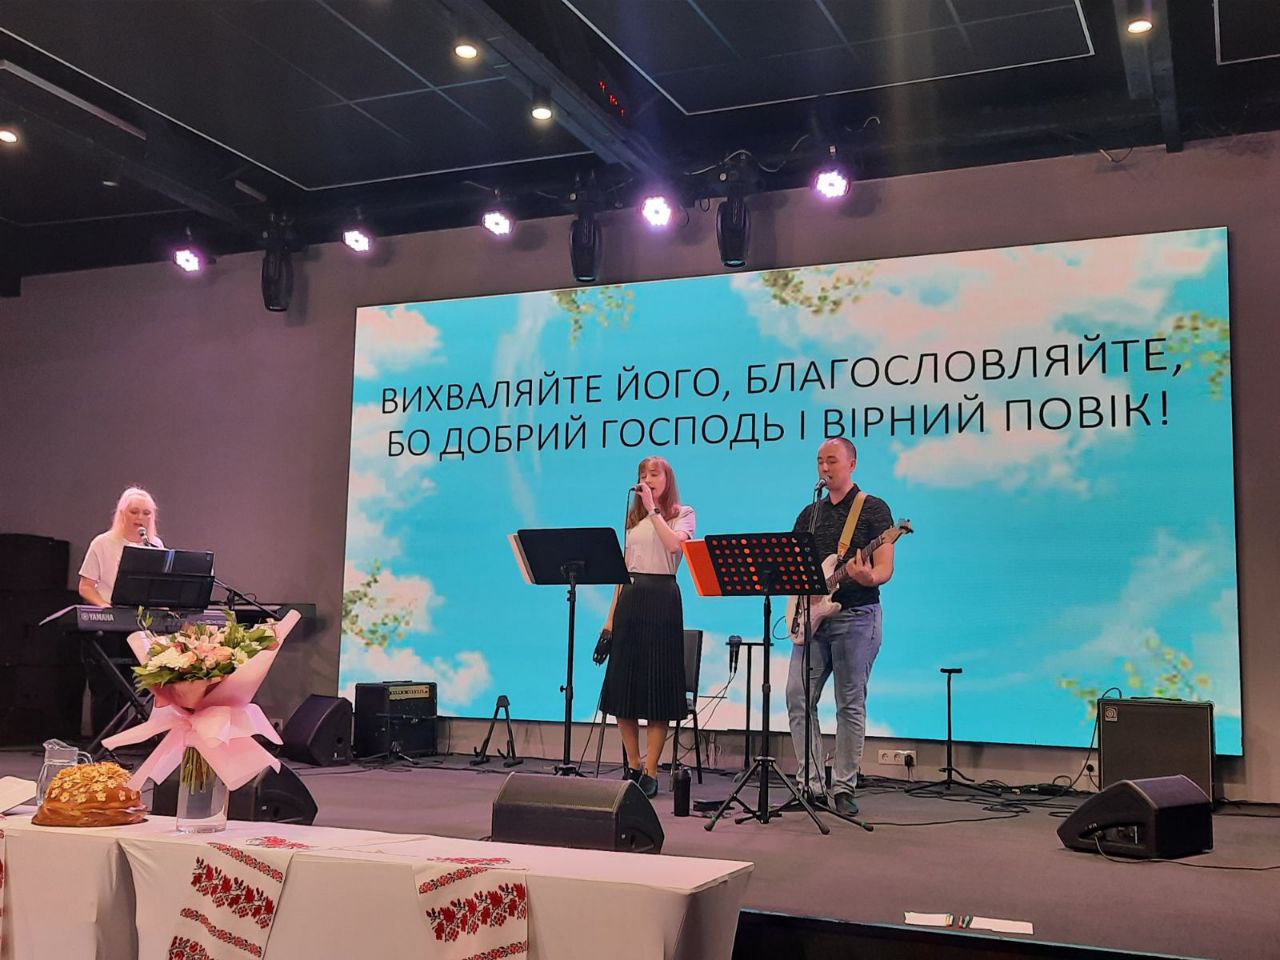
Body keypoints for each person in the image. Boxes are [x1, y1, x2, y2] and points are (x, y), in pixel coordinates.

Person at [786, 438, 894, 816]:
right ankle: (811, 784)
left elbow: (884, 569)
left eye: (832, 460)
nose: (824, 467)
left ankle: (844, 787)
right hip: (812, 620)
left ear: (852, 463)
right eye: (820, 461)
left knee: (849, 703)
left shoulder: (873, 509)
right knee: (798, 696)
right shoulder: (809, 514)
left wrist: (867, 577)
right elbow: (795, 568)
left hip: (857, 617)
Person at [596, 456, 696, 798]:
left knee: (657, 690)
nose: (647, 479)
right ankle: (634, 765)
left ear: (668, 479)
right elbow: (622, 573)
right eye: (643, 474)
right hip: (631, 600)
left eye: (654, 474)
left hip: (662, 600)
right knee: (622, 691)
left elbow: (674, 546)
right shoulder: (633, 519)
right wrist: (609, 623)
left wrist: (654, 510)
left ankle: (652, 769)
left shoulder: (683, 513)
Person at [78, 486, 165, 607]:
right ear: (122, 514)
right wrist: (104, 606)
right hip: (111, 610)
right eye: (134, 512)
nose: (140, 517)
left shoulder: (155, 545)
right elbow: (86, 587)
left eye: (146, 513)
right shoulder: (102, 543)